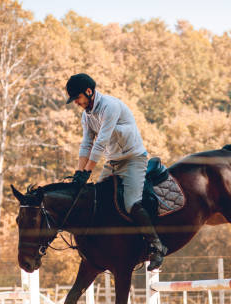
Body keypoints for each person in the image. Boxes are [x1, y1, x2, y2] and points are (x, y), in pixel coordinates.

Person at [66, 73, 167, 271]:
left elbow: (101, 143)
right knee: (98, 199)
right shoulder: (86, 115)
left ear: (89, 91)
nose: (76, 102)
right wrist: (79, 173)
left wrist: (88, 171)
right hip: (113, 162)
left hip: (133, 160)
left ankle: (157, 245)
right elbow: (86, 143)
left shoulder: (110, 107)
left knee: (130, 203)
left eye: (77, 98)